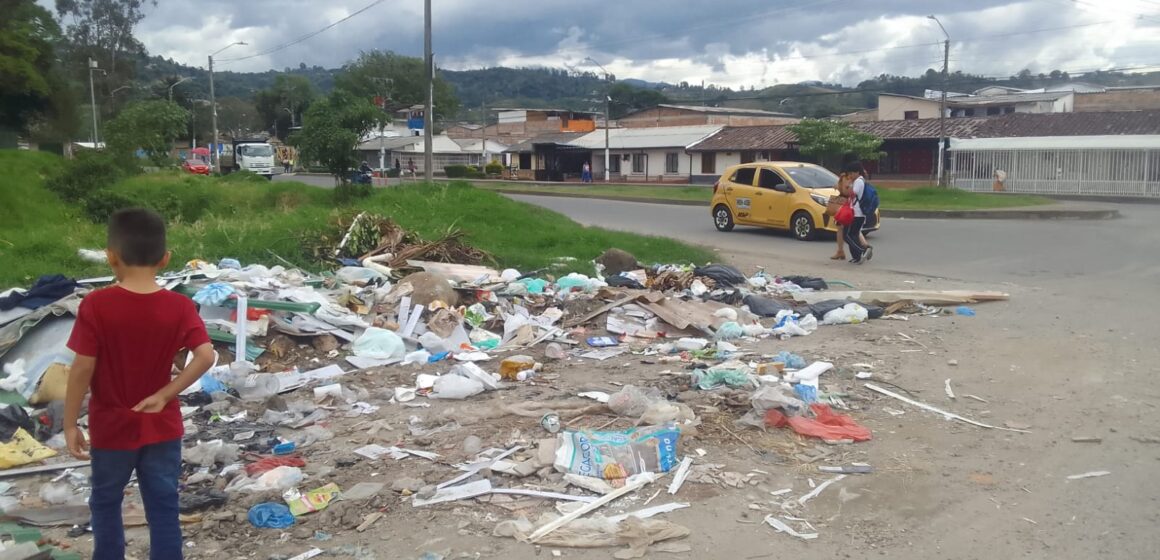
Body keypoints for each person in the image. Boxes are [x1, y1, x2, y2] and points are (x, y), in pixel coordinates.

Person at [64, 208, 214, 560]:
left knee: (105, 502)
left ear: (111, 257)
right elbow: (206, 356)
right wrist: (164, 394)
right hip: (161, 426)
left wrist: (70, 423)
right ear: (165, 259)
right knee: (163, 504)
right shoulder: (179, 306)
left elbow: (82, 367)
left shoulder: (96, 305)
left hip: (113, 427)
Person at [841, 161, 874, 264]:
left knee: (847, 235)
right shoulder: (859, 181)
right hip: (856, 212)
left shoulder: (859, 181)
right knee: (853, 235)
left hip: (857, 213)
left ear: (857, 172)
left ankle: (862, 251)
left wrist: (848, 186)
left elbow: (852, 193)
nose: (850, 176)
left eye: (851, 173)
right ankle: (856, 257)